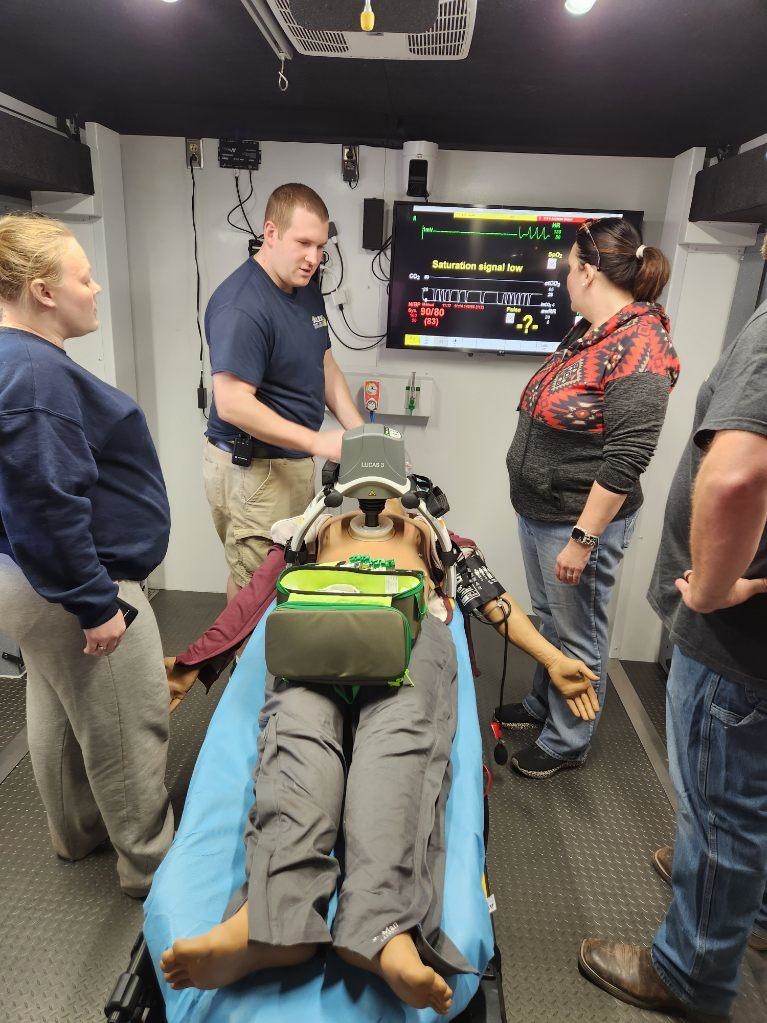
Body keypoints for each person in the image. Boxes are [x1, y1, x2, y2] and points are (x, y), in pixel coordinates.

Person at [160, 495, 600, 1013]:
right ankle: (271, 920)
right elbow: (255, 598)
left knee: (396, 755)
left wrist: (551, 660)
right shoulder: (314, 524)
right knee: (297, 747)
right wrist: (193, 664)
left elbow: (490, 598)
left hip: (412, 635)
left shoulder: (435, 534)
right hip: (315, 631)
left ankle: (382, 929)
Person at [579, 237, 767, 1021]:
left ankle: (690, 973)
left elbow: (734, 475)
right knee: (748, 798)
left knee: (721, 807)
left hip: (736, 649)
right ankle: (748, 907)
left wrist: (721, 586)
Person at [0, 214, 174, 897]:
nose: (96, 288)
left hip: (31, 582)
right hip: (79, 584)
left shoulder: (18, 361)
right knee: (128, 726)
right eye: (83, 277)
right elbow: (47, 501)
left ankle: (76, 832)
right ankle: (152, 870)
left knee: (59, 705)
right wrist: (97, 602)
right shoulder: (35, 376)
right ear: (43, 290)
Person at [503, 217, 679, 778]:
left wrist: (583, 539)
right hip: (541, 510)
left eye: (568, 266)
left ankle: (567, 740)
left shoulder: (640, 343)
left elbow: (628, 455)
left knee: (580, 630)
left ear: (589, 270)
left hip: (579, 522)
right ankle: (542, 704)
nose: (563, 276)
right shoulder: (591, 330)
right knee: (549, 617)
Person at [204, 182, 363, 602]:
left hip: (291, 461)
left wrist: (361, 435)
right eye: (303, 243)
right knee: (259, 588)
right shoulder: (242, 305)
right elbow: (233, 403)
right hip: (254, 473)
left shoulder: (305, 286)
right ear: (270, 233)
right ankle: (250, 666)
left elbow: (324, 365)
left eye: (321, 246)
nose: (313, 258)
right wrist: (319, 441)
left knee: (281, 575)